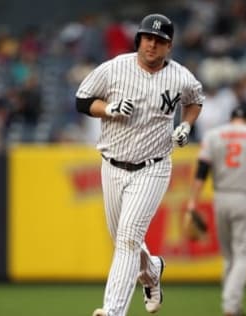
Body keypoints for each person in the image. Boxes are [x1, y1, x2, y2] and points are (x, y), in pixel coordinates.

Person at [75, 13, 204, 316]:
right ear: (139, 39)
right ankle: (152, 270)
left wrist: (186, 125)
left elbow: (195, 100)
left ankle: (113, 310)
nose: (152, 45)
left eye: (159, 41)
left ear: (169, 46)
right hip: (113, 166)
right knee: (123, 239)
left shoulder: (181, 76)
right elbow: (82, 100)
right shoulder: (114, 68)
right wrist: (108, 108)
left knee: (128, 239)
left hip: (153, 166)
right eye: (148, 38)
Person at [186, 106, 246, 316]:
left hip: (221, 198)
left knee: (228, 256)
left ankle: (234, 307)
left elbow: (202, 171)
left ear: (231, 119)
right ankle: (230, 305)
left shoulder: (213, 135)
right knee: (243, 255)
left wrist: (193, 201)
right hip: (245, 198)